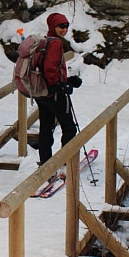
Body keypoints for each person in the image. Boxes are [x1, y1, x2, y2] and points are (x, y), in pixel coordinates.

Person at [35, 13, 82, 166]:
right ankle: (65, 162)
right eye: (61, 26)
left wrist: (67, 80)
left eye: (66, 26)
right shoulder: (55, 43)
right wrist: (60, 86)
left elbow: (47, 68)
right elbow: (49, 69)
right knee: (69, 128)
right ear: (53, 26)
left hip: (42, 92)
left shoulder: (45, 40)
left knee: (46, 128)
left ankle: (45, 163)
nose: (64, 29)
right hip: (54, 93)